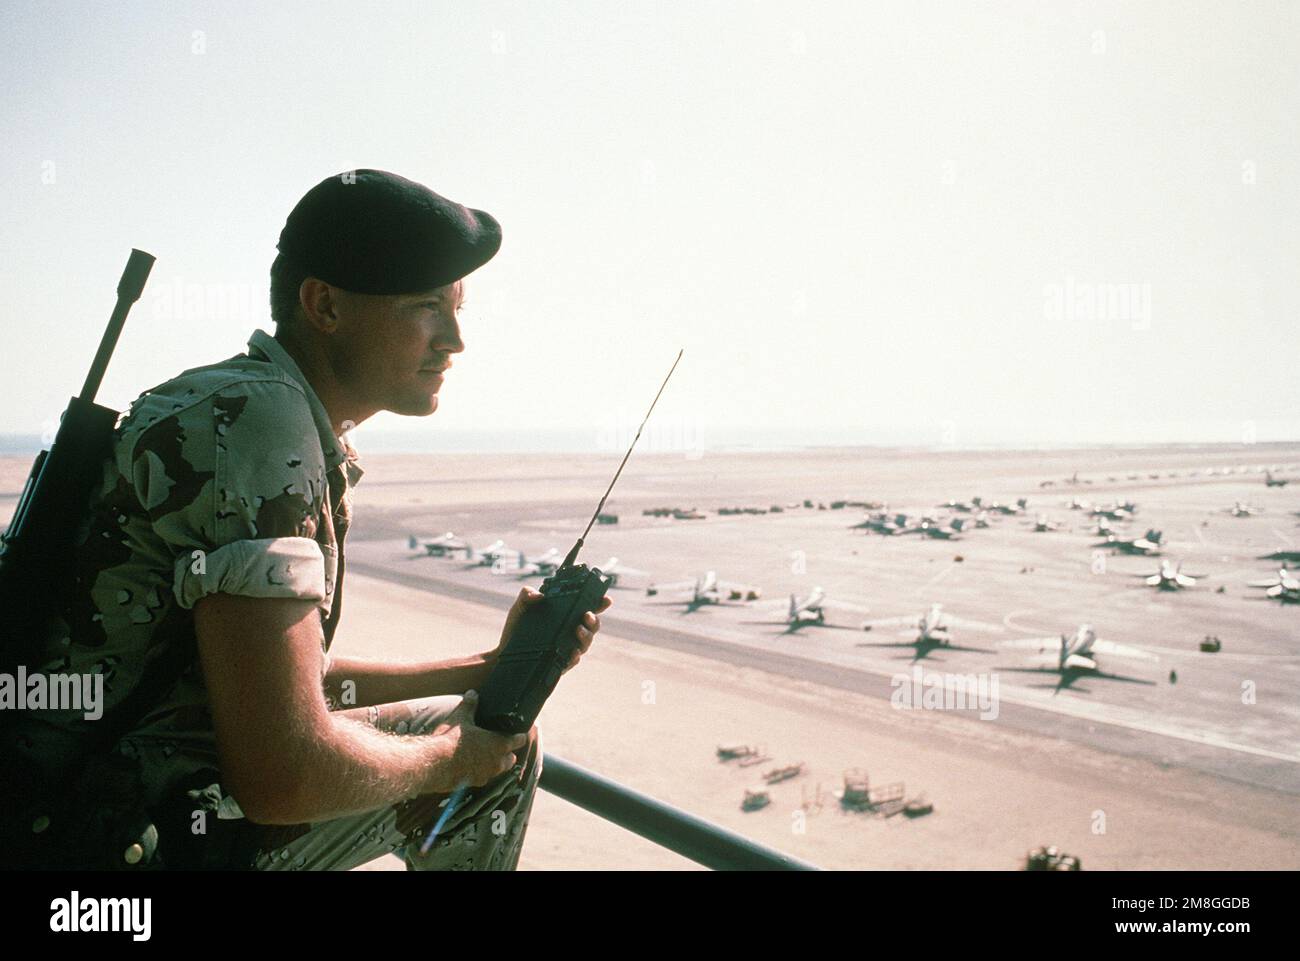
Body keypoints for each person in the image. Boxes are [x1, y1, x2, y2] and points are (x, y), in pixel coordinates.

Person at [4, 169, 609, 870]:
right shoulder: (262, 430)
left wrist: (481, 667)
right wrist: (454, 759)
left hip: (87, 796)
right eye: (424, 306)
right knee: (497, 758)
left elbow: (283, 679)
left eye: (457, 307)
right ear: (323, 304)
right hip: (93, 836)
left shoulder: (248, 406)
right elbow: (283, 775)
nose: (454, 340)